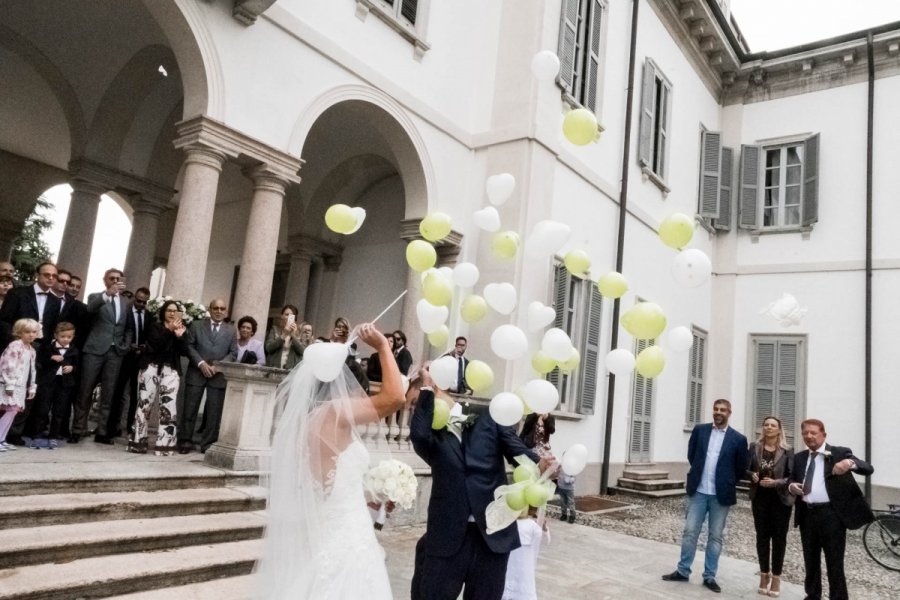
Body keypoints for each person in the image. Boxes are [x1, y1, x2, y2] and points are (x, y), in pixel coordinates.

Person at [255, 323, 405, 599]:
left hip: (330, 526)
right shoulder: (335, 411)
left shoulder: (309, 423)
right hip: (347, 537)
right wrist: (384, 347)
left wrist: (370, 495)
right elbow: (396, 397)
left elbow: (325, 488)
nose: (358, 395)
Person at [410, 364, 545, 600]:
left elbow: (516, 451)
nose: (416, 409)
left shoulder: (489, 415)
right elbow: (418, 435)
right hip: (447, 537)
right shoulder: (432, 436)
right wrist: (426, 390)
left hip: (492, 538)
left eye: (414, 403)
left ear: (439, 388)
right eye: (416, 405)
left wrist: (541, 463)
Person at [662, 399, 749, 594]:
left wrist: (727, 481)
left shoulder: (738, 439)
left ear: (729, 413)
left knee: (715, 536)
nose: (718, 413)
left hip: (721, 494)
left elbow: (741, 468)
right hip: (699, 491)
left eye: (723, 410)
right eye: (716, 409)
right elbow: (692, 456)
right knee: (690, 532)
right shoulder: (700, 430)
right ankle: (683, 571)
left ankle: (709, 576)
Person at [787, 419, 874, 600]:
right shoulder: (800, 457)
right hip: (807, 515)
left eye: (813, 432)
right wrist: (791, 487)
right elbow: (791, 480)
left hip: (831, 516)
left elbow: (868, 468)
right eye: (805, 433)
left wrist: (849, 464)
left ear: (823, 435)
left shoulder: (839, 452)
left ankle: (838, 597)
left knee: (834, 561)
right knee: (810, 560)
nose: (809, 436)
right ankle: (812, 595)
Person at [70, 268, 132, 445]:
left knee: (109, 393)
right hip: (94, 350)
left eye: (118, 279)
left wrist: (125, 345)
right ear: (105, 280)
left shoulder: (125, 303)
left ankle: (102, 431)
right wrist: (107, 294)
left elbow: (128, 328)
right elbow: (90, 309)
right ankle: (78, 429)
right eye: (111, 278)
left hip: (115, 353)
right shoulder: (95, 296)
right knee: (85, 390)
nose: (114, 281)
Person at [128, 300, 187, 455]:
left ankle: (165, 446)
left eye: (175, 310)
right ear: (163, 312)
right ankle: (138, 443)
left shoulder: (180, 328)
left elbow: (184, 351)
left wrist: (180, 337)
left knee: (168, 407)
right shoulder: (154, 326)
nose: (172, 313)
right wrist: (169, 330)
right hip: (151, 367)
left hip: (170, 370)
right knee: (144, 405)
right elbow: (156, 344)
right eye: (169, 310)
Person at [178, 298, 237, 454]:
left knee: (213, 412)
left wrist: (218, 366)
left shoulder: (231, 330)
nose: (218, 311)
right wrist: (201, 363)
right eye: (215, 308)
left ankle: (208, 443)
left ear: (226, 311)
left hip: (217, 376)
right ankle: (185, 440)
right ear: (210, 309)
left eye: (222, 308)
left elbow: (233, 352)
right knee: (189, 408)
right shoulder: (197, 325)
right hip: (197, 371)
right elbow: (188, 346)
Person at [748, 416, 794, 597]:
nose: (769, 428)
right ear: (762, 428)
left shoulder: (788, 451)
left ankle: (776, 577)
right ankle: (763, 574)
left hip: (780, 500)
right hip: (759, 498)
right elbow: (745, 469)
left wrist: (776, 482)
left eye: (773, 425)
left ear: (779, 429)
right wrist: (751, 474)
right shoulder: (754, 447)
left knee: (779, 539)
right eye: (766, 425)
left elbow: (791, 477)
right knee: (762, 537)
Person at [107, 287, 151, 438]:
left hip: (140, 360)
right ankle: (113, 427)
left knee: (136, 395)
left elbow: (150, 336)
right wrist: (128, 345)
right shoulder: (125, 312)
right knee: (118, 393)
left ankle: (130, 427)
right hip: (124, 358)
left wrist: (144, 347)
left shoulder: (149, 316)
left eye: (144, 302)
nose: (141, 304)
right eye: (138, 301)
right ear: (134, 298)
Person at [31, 321, 79, 449]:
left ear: (73, 337)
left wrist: (72, 368)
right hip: (47, 382)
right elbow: (39, 362)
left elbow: (79, 366)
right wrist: (51, 358)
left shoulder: (74, 350)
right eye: (63, 336)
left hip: (64, 384)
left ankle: (53, 436)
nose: (65, 339)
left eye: (69, 337)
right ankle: (37, 435)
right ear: (56, 335)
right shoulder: (47, 347)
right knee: (42, 410)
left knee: (59, 411)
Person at [0, 319, 38, 451]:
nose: (31, 335)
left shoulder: (31, 349)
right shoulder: (15, 345)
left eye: (34, 332)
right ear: (19, 332)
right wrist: (9, 384)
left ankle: (2, 439)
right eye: (27, 332)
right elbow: (7, 365)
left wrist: (32, 386)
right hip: (10, 384)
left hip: (21, 386)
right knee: (11, 410)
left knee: (13, 411)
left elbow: (32, 370)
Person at [501, 509, 547, 600]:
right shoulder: (508, 522)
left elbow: (543, 541)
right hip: (509, 559)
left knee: (522, 583)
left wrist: (544, 529)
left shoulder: (532, 525)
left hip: (525, 562)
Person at [264, 305, 304, 369]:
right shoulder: (275, 330)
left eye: (291, 315)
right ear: (282, 316)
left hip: (291, 369)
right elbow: (269, 348)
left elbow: (302, 351)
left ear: (295, 317)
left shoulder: (299, 332)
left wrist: (293, 335)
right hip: (274, 367)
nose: (289, 317)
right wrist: (283, 335)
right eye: (286, 314)